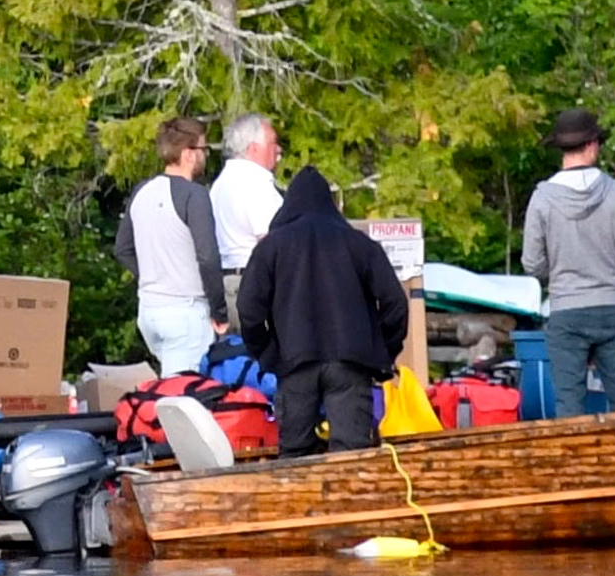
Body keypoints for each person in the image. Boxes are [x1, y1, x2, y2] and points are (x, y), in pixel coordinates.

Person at [236, 162, 409, 454]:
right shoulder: (360, 245)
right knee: (352, 458)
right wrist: (381, 352)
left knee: (295, 459)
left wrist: (267, 354)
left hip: (293, 364)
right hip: (350, 364)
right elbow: (395, 304)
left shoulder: (270, 248)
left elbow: (249, 309)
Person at [521, 111, 615, 420]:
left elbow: (532, 263)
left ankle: (573, 465)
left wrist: (558, 270)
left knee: (569, 404)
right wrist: (613, 263)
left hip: (567, 309)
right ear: (592, 145)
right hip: (611, 305)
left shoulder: (542, 198)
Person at [122, 114, 233, 381]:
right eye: (203, 149)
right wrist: (220, 312)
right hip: (185, 312)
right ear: (189, 153)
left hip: (149, 310)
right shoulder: (194, 195)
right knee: (185, 404)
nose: (205, 155)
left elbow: (123, 249)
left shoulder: (141, 192)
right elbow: (207, 257)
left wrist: (154, 276)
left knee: (169, 391)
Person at [213, 113, 289, 291]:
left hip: (226, 282)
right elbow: (271, 240)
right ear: (254, 149)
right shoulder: (256, 182)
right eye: (272, 143)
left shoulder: (220, 183)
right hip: (254, 283)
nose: (278, 149)